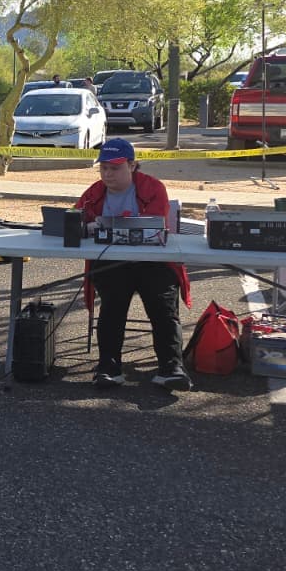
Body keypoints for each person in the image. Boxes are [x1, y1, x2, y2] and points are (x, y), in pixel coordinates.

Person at [74, 138, 191, 392]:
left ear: (132, 166)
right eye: (104, 167)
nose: (107, 173)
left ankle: (172, 368)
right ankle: (108, 368)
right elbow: (73, 221)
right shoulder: (93, 192)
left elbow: (155, 225)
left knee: (163, 309)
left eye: (114, 168)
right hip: (112, 263)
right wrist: (85, 226)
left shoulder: (154, 187)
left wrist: (104, 225)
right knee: (112, 308)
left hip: (154, 263)